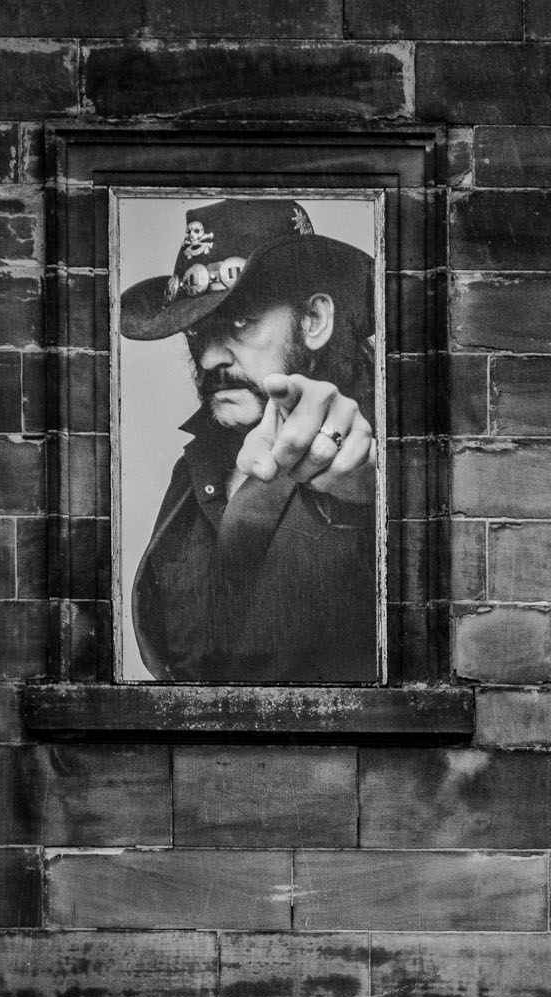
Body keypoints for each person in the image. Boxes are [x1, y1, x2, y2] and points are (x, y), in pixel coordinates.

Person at [118, 198, 379, 682]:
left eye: (240, 322)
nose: (212, 356)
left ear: (314, 321)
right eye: (199, 331)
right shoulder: (193, 471)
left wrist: (371, 494)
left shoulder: (381, 456)